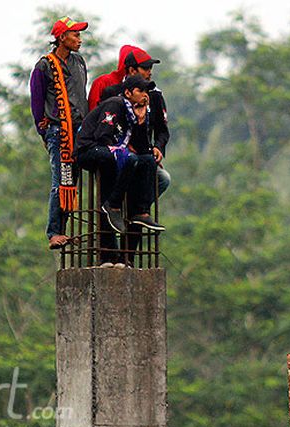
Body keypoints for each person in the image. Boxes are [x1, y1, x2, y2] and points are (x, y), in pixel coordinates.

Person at [76, 75, 163, 266]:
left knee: (147, 161)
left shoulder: (138, 111)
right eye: (140, 91)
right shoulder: (115, 104)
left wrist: (140, 122)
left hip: (112, 153)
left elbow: (141, 146)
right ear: (128, 93)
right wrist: (120, 154)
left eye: (146, 92)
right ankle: (113, 205)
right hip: (91, 149)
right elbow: (102, 136)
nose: (145, 96)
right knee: (127, 160)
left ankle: (140, 212)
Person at [29, 16, 89, 250]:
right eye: (75, 35)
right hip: (58, 131)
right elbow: (37, 102)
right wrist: (44, 131)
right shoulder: (44, 65)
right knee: (61, 179)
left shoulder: (80, 62)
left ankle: (63, 229)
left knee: (70, 181)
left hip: (80, 130)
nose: (79, 40)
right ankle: (54, 231)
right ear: (62, 37)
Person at [90, 45, 171, 197]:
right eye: (145, 68)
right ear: (132, 71)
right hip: (117, 154)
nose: (150, 72)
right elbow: (102, 129)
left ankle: (138, 213)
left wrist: (158, 147)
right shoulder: (112, 93)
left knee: (163, 179)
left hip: (143, 153)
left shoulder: (155, 96)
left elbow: (162, 130)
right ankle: (114, 211)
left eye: (150, 68)